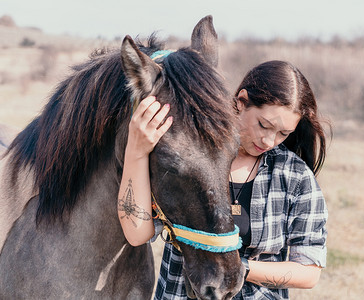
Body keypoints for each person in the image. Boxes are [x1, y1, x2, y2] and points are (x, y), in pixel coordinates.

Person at [118, 60, 328, 299]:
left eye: (283, 133)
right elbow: (137, 233)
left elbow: (309, 272)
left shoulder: (294, 176)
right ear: (241, 102)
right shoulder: (187, 158)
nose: (269, 141)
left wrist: (238, 269)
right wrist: (136, 150)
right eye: (264, 125)